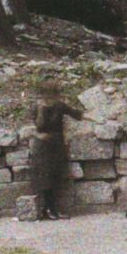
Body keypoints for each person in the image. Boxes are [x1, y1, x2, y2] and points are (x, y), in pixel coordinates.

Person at [26, 88, 85, 220]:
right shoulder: (36, 108)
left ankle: (53, 210)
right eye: (45, 98)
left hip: (57, 145)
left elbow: (76, 114)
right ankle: (46, 210)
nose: (49, 100)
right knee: (44, 178)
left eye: (51, 97)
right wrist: (41, 110)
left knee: (56, 176)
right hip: (42, 147)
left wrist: (97, 118)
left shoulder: (59, 106)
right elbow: (38, 127)